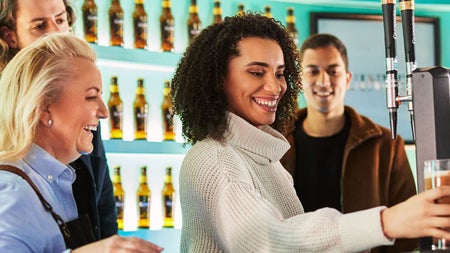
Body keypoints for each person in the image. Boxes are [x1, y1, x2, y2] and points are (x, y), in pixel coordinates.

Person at [171, 13, 450, 252]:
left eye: (280, 73)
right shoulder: (215, 159)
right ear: (218, 80)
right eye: (257, 72)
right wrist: (385, 222)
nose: (274, 87)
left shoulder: (264, 155)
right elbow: (269, 242)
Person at [0, 32, 163, 253]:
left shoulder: (55, 182)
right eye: (91, 96)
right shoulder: (10, 193)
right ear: (44, 107)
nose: (105, 112)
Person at [279, 33, 418, 252]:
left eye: (333, 71)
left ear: (347, 78)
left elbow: (408, 233)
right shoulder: (274, 142)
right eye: (313, 71)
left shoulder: (386, 145)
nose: (323, 81)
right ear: (299, 80)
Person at [0, 0, 117, 239]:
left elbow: (101, 196)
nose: (55, 32)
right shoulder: (12, 192)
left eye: (61, 20)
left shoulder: (86, 109)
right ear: (10, 36)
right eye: (40, 26)